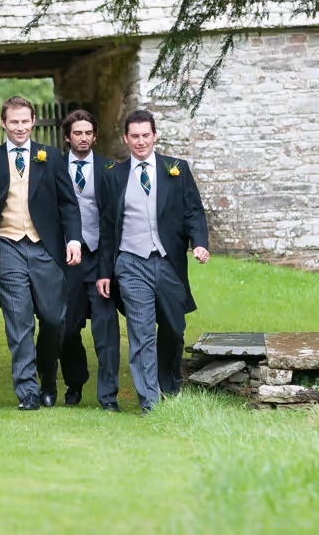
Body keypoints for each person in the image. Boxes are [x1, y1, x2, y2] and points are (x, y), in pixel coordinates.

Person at [96, 109, 210, 414]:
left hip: (168, 261)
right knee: (141, 332)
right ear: (125, 138)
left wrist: (199, 243)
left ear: (155, 136)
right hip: (131, 263)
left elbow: (193, 212)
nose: (141, 141)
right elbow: (107, 228)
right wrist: (105, 271)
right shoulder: (114, 176)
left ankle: (170, 382)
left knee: (173, 328)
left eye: (146, 135)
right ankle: (150, 402)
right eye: (134, 136)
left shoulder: (177, 169)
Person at [0, 96, 82, 410]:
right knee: (19, 320)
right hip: (7, 245)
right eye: (14, 122)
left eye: (25, 121)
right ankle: (27, 391)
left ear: (33, 121)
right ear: (4, 123)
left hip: (44, 247)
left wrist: (74, 239)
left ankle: (48, 380)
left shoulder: (50, 156)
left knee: (53, 319)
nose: (20, 127)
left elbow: (68, 202)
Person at [55, 109, 122, 411]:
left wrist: (110, 262)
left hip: (100, 260)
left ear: (95, 136)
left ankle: (108, 396)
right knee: (67, 329)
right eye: (77, 133)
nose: (83, 138)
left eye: (88, 133)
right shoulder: (52, 166)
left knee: (106, 330)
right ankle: (75, 381)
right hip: (66, 261)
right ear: (67, 136)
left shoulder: (109, 168)